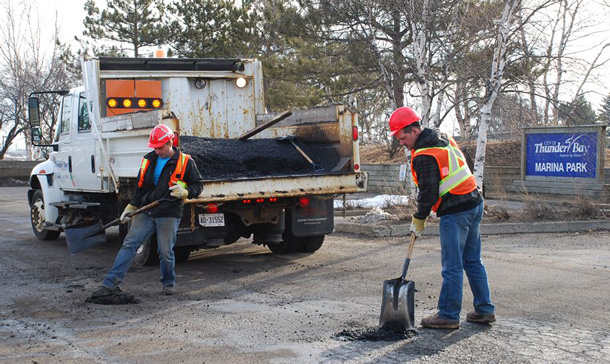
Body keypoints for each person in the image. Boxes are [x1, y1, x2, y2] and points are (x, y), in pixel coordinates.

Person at [389, 106, 495, 329]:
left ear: (414, 131)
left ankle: (448, 315)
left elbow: (428, 193)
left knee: (452, 266)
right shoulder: (444, 138)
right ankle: (484, 310)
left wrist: (419, 218)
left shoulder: (424, 155)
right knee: (473, 261)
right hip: (474, 202)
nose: (401, 143)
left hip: (456, 211)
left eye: (402, 137)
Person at [91, 124, 203, 297]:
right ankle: (110, 284)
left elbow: (198, 185)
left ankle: (168, 283)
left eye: (160, 147)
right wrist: (131, 206)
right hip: (147, 211)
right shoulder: (148, 160)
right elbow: (141, 187)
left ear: (170, 142)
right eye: (155, 148)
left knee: (165, 251)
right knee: (129, 245)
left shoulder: (185, 161)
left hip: (169, 213)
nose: (157, 151)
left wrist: (186, 192)